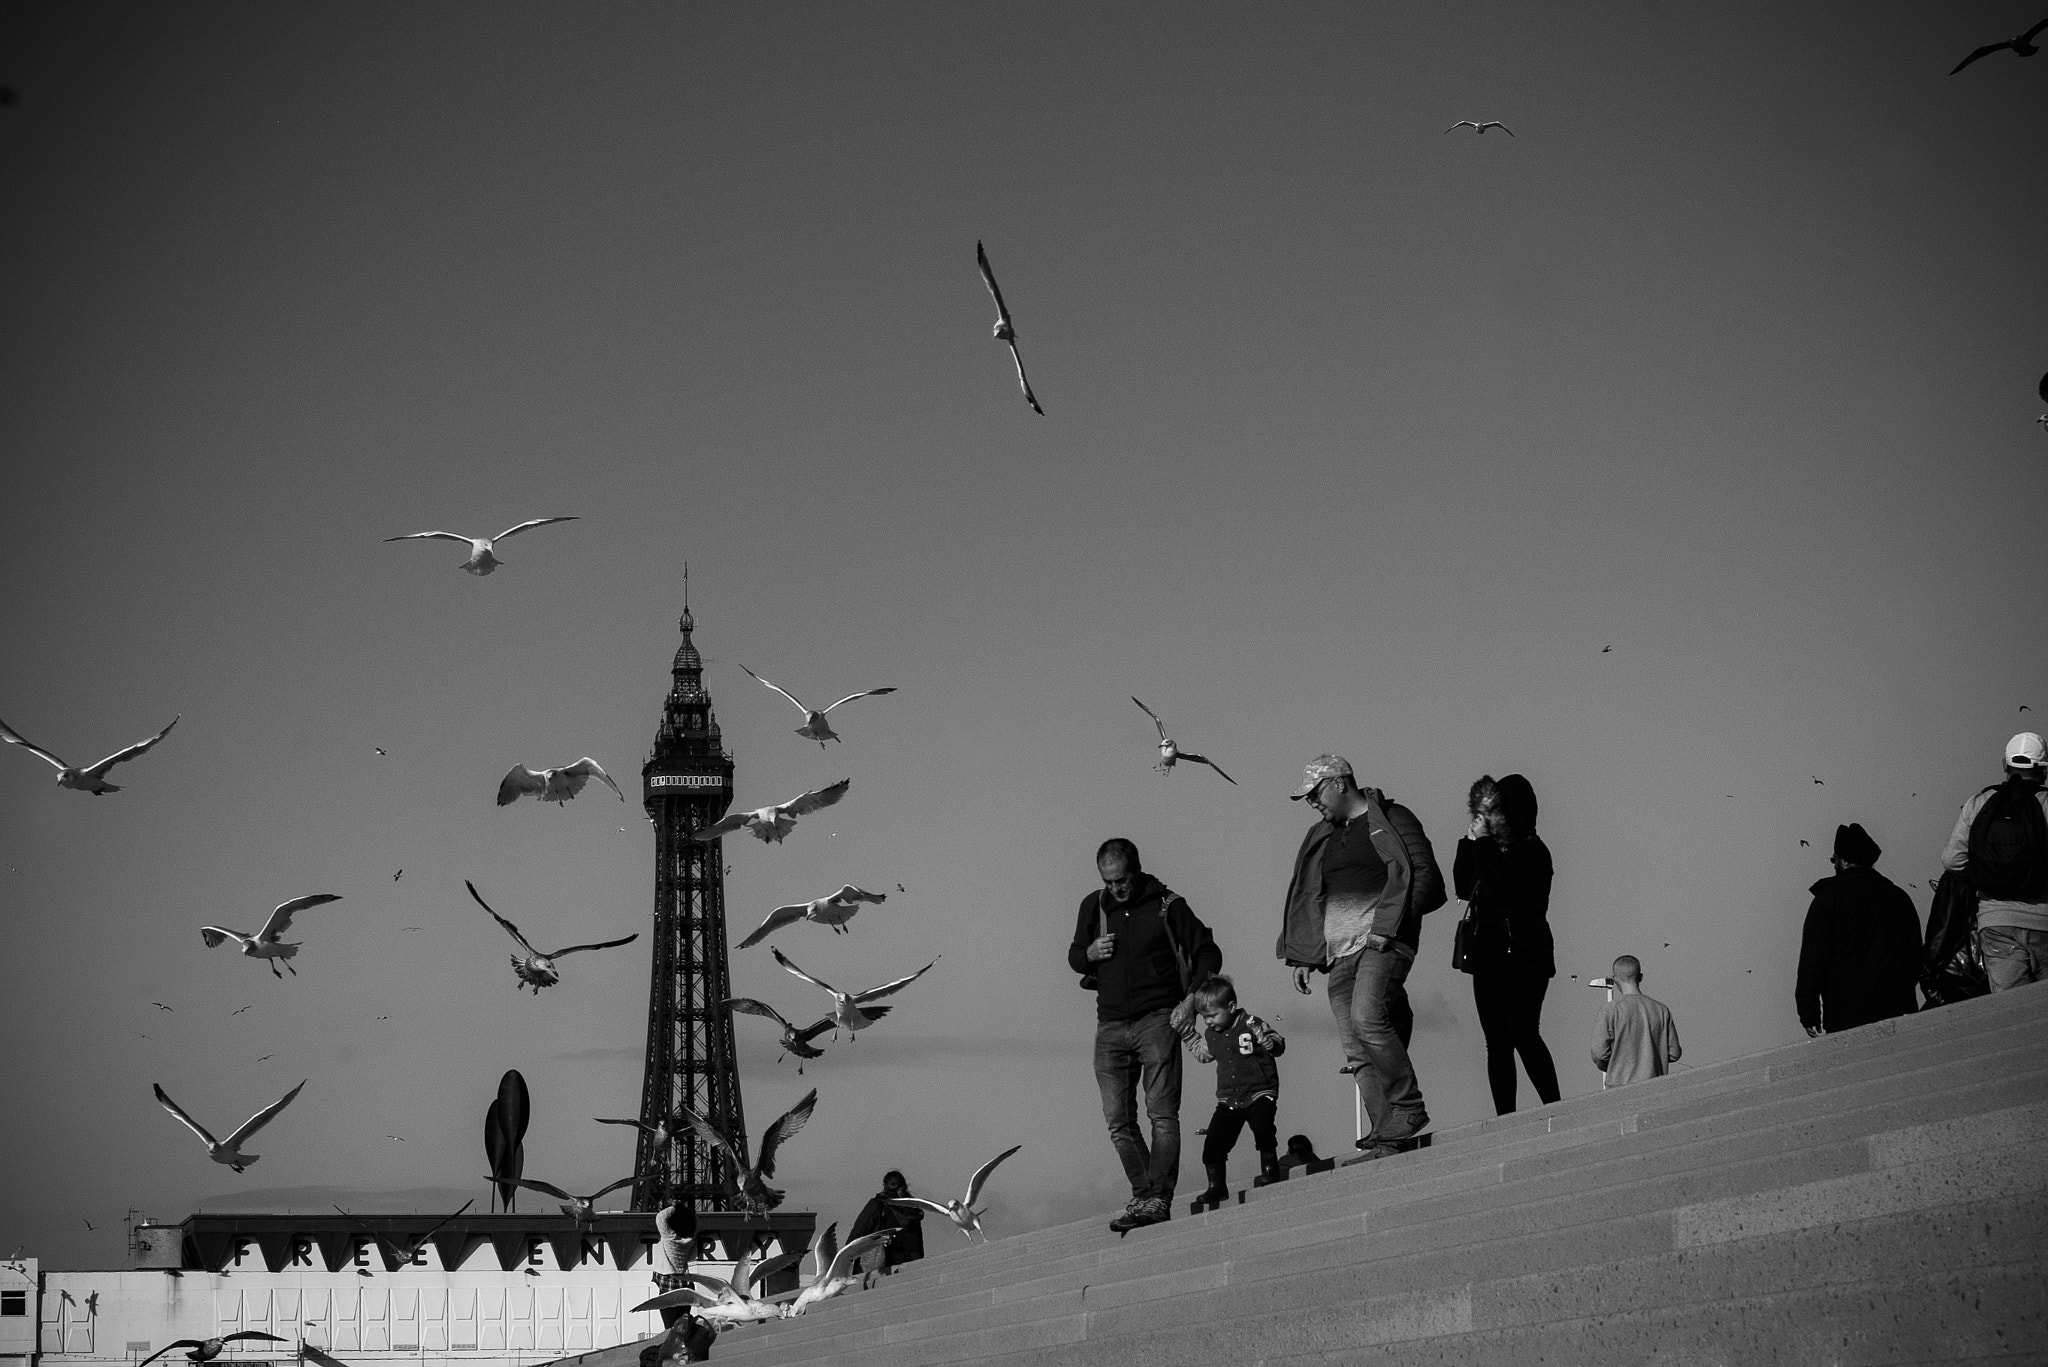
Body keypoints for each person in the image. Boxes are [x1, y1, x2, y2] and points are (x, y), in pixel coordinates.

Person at [1276, 755, 1444, 1162]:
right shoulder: (1323, 835)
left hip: (1383, 942)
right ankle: (1386, 1134)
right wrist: (1303, 954)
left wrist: (1392, 927)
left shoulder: (1392, 817)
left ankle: (1408, 1108)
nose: (1312, 802)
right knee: (1356, 1050)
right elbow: (1310, 895)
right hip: (1338, 955)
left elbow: (1424, 872)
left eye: (1315, 793)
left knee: (1367, 1018)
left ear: (1339, 782)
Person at [1069, 837, 1221, 1231]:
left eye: (1121, 880)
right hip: (1110, 1025)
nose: (1116, 888)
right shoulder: (1094, 906)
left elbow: (1208, 952)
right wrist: (1088, 955)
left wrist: (1190, 1001)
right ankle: (1145, 1194)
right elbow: (1073, 955)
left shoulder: (1169, 905)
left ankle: (1158, 1200)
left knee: (1162, 1115)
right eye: (1108, 881)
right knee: (1118, 1119)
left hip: (1159, 1019)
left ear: (1136, 870)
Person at [1453, 773, 1562, 1115]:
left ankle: (1553, 1108)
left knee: (1523, 1033)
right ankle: (1505, 1119)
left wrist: (1483, 843)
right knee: (1496, 1042)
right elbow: (1461, 885)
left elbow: (1500, 884)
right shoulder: (1492, 851)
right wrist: (1469, 841)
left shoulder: (1534, 851)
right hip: (1488, 955)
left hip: (1525, 955)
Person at [1941, 731, 2048, 992]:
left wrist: (1987, 873)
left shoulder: (1979, 803)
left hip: (1996, 921)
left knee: (2010, 1012)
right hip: (2045, 922)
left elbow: (1951, 860)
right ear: (2044, 770)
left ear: (2005, 765)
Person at [1797, 822, 1921, 1035]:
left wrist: (1808, 1012)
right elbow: (1916, 956)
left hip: (1846, 1014)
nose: (1833, 864)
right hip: (1897, 1010)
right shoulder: (1899, 897)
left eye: (1833, 859)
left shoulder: (1828, 900)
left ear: (1843, 861)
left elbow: (1813, 960)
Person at [1191, 975, 1286, 1204]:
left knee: (1263, 1128)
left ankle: (1270, 1169)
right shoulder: (1211, 1034)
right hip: (1229, 1097)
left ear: (1231, 1007)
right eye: (1204, 1017)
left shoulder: (1251, 1022)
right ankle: (1217, 1186)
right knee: (1214, 1141)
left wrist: (1272, 1044)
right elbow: (1204, 1055)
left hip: (1259, 1090)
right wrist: (1188, 1036)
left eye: (1212, 1015)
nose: (1208, 1021)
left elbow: (1277, 1042)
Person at [1590, 954, 1681, 1087]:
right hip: (1656, 1087)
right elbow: (1674, 1053)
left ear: (1615, 979)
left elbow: (1598, 1053)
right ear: (1640, 977)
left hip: (1619, 1088)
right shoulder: (1661, 1009)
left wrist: (1613, 1064)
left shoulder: (1610, 1010)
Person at [846, 1169, 924, 1275]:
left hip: (883, 1262)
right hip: (910, 1264)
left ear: (884, 1185)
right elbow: (917, 1242)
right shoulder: (912, 1209)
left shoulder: (877, 1205)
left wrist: (845, 1255)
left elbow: (860, 1229)